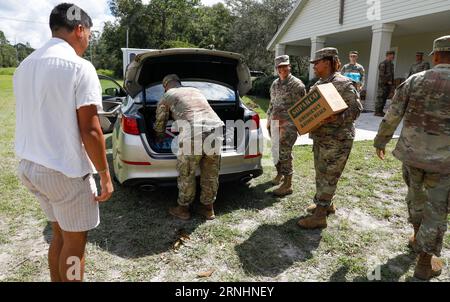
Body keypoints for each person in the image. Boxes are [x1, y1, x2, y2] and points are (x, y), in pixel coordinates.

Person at [13, 3, 113, 282]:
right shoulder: (80, 67)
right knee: (75, 244)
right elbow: (91, 129)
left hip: (31, 167)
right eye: (89, 33)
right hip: (64, 173)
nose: (89, 39)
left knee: (59, 234)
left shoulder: (25, 66)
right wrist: (105, 175)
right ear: (79, 29)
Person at [374, 35, 450, 281]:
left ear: (436, 56)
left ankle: (418, 237)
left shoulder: (414, 80)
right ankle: (425, 263)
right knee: (437, 209)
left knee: (415, 200)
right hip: (444, 162)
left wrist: (381, 141)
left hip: (412, 156)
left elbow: (392, 115)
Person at [297, 48, 363, 229]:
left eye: (316, 63)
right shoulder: (319, 84)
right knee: (321, 173)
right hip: (321, 137)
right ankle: (326, 204)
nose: (314, 67)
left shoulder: (343, 83)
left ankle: (319, 215)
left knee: (329, 175)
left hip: (338, 139)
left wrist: (336, 117)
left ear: (327, 62)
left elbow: (356, 110)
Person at [154, 74, 224, 221]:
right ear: (179, 83)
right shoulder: (195, 90)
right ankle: (208, 209)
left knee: (187, 173)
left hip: (193, 132)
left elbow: (160, 121)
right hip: (216, 129)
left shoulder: (168, 95)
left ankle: (183, 209)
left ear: (165, 86)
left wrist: (159, 136)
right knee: (210, 172)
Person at [267, 55, 306, 197]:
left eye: (285, 66)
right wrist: (268, 119)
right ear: (276, 69)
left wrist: (299, 126)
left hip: (289, 125)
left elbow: (303, 107)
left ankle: (288, 184)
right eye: (279, 67)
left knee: (285, 152)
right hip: (274, 122)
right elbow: (272, 103)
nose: (282, 69)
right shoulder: (275, 84)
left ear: (289, 67)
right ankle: (280, 175)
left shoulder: (297, 85)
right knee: (275, 150)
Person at [375, 51, 396, 117]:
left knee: (384, 97)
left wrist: (392, 82)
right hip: (383, 84)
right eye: (392, 55)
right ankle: (377, 112)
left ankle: (380, 111)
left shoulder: (391, 64)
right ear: (387, 55)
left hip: (389, 84)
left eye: (393, 55)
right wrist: (387, 81)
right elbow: (381, 75)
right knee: (380, 97)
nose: (393, 57)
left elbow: (391, 74)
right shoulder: (383, 64)